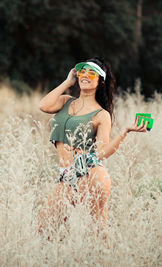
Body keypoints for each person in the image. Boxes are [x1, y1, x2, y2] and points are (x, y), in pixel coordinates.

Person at [38, 56, 148, 240]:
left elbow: (102, 152)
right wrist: (67, 81)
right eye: (82, 71)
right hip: (66, 174)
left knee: (97, 235)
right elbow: (44, 105)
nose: (85, 76)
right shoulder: (66, 101)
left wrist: (124, 132)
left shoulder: (101, 114)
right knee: (44, 229)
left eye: (92, 73)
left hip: (89, 172)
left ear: (100, 81)